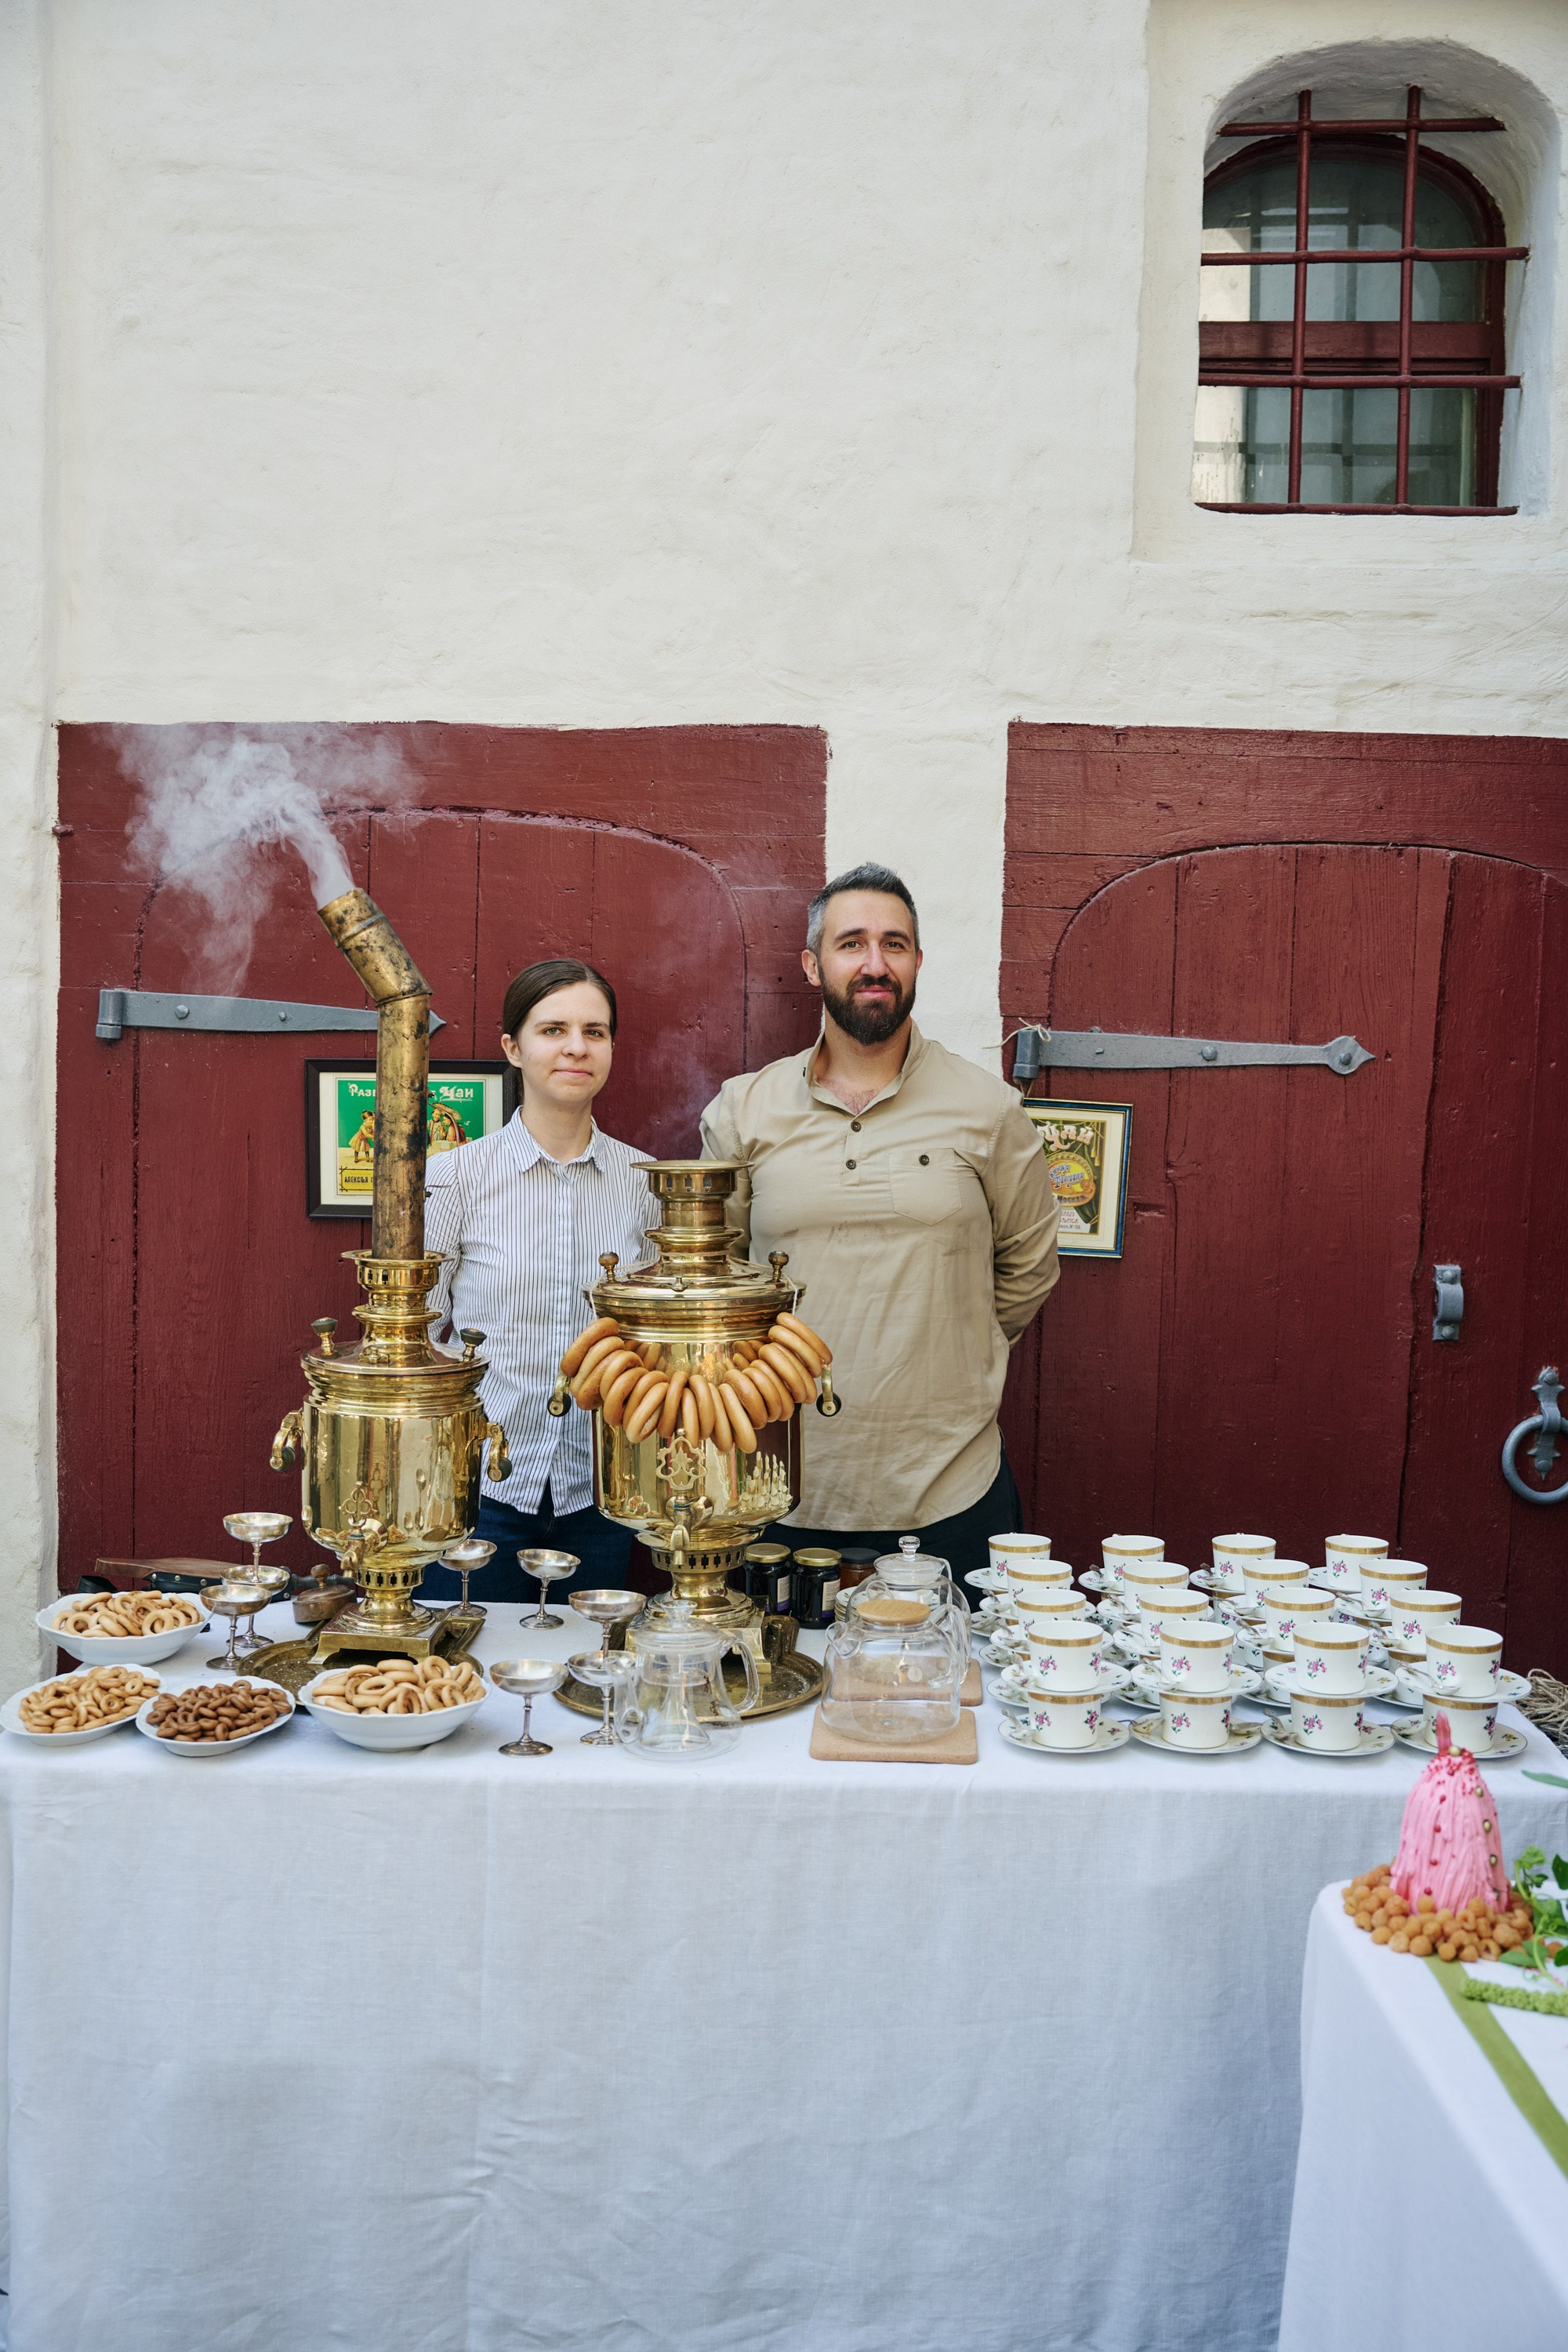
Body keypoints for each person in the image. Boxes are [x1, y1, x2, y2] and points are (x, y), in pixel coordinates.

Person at [699, 862, 1059, 1578]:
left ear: (918, 962)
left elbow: (1028, 1269)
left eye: (895, 945)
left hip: (949, 1483)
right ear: (812, 964)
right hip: (776, 1485)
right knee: (779, 1687)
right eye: (851, 943)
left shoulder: (988, 1110)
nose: (874, 964)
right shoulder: (744, 1110)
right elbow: (714, 1282)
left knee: (959, 1688)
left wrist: (947, 1352)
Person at [420, 959, 652, 1605]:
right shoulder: (456, 1178)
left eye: (595, 1031)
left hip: (603, 1491)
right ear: (512, 1048)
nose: (577, 1047)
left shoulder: (646, 1185)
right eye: (553, 1029)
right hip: (479, 1491)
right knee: (468, 1673)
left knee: (586, 1678)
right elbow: (414, 1340)